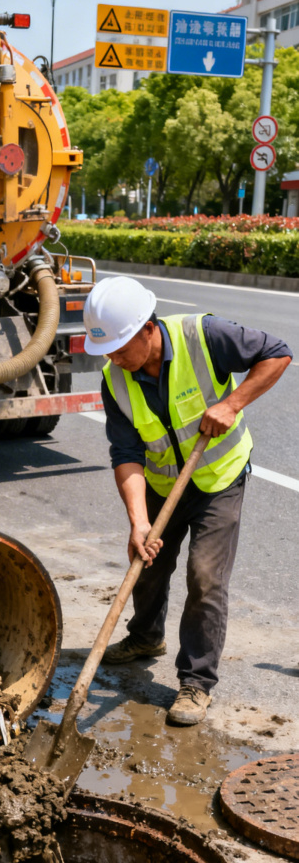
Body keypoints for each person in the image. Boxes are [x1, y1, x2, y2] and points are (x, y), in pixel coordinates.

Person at [83, 276, 292, 725]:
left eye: (120, 348)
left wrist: (231, 404)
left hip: (219, 477)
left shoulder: (204, 334)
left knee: (204, 576)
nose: (114, 359)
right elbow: (126, 454)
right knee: (147, 560)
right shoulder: (114, 380)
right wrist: (138, 521)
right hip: (163, 485)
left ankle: (196, 683)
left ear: (147, 329)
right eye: (108, 351)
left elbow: (278, 353)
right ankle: (145, 637)